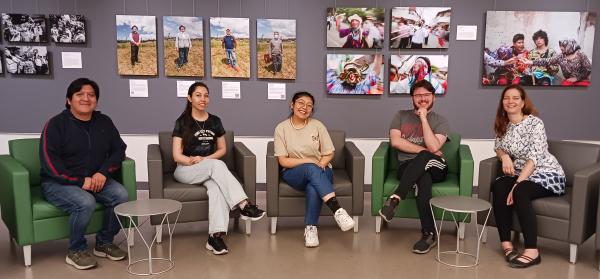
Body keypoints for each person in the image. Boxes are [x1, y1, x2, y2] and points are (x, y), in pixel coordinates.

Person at [39, 78, 129, 270]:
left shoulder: (104, 122)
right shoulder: (55, 124)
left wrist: (103, 173)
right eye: (80, 94)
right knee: (85, 202)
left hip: (96, 178)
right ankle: (76, 250)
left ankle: (104, 242)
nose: (86, 98)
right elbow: (50, 164)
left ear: (96, 100)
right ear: (69, 100)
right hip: (59, 183)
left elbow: (119, 150)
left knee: (121, 195)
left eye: (91, 95)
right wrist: (80, 181)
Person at [172, 82, 265, 255]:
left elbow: (222, 149)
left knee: (216, 189)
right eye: (198, 95)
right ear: (189, 98)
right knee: (216, 165)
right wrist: (194, 161)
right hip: (185, 169)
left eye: (206, 95)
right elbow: (176, 156)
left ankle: (214, 237)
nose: (203, 99)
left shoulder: (215, 121)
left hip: (208, 167)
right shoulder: (182, 122)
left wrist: (205, 160)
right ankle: (244, 204)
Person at [491, 84, 565, 268]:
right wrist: (505, 156)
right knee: (499, 186)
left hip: (545, 172)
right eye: (507, 98)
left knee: (520, 191)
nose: (511, 101)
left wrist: (517, 184)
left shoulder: (535, 123)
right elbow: (498, 147)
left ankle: (532, 250)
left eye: (516, 98)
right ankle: (506, 243)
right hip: (519, 171)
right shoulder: (503, 124)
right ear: (502, 102)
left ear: (523, 102)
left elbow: (534, 158)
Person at [274, 92, 356, 247]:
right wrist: (309, 161)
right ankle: (337, 210)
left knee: (313, 186)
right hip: (293, 172)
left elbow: (329, 153)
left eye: (309, 105)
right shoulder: (281, 128)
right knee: (311, 170)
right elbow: (283, 160)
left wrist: (319, 165)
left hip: (321, 169)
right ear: (292, 105)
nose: (304, 107)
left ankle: (310, 229)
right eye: (300, 103)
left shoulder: (317, 125)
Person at [379, 80, 450, 254]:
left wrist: (424, 117)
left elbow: (435, 148)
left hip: (437, 167)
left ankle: (395, 199)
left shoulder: (441, 121)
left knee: (426, 157)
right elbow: (396, 142)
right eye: (418, 95)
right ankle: (429, 234)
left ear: (433, 96)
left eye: (426, 95)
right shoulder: (400, 115)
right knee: (422, 178)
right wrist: (424, 151)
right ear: (412, 98)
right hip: (407, 166)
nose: (422, 98)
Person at [523, 39, 592, 86]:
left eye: (564, 46)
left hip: (582, 81)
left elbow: (588, 69)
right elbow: (547, 61)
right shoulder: (560, 56)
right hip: (568, 81)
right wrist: (531, 62)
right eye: (560, 45)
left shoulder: (580, 54)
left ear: (571, 45)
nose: (561, 48)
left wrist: (576, 78)